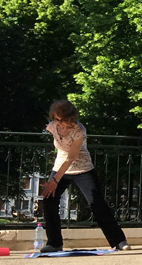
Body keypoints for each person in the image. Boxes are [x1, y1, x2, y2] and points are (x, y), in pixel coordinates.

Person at [39, 100, 130, 252]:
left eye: (62, 119)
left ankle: (119, 241)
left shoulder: (79, 130)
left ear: (70, 117)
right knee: (49, 200)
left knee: (97, 204)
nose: (59, 123)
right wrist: (54, 178)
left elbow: (71, 157)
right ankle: (54, 243)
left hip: (83, 169)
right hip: (60, 167)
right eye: (56, 119)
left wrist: (55, 180)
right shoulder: (52, 127)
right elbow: (63, 155)